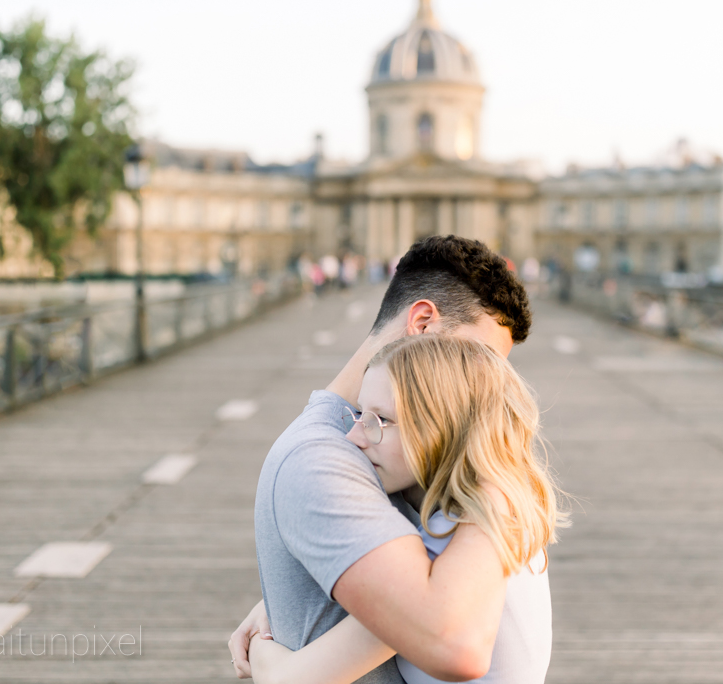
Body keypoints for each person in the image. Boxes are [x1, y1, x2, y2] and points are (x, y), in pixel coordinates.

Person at [229, 235, 534, 682]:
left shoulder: (414, 455)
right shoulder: (324, 456)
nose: (486, 383)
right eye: (475, 356)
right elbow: (452, 640)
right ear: (423, 324)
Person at [246, 334, 565, 684]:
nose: (353, 438)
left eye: (380, 420)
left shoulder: (452, 547)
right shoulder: (478, 517)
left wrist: (261, 652)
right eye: (358, 414)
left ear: (441, 425)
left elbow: (292, 680)